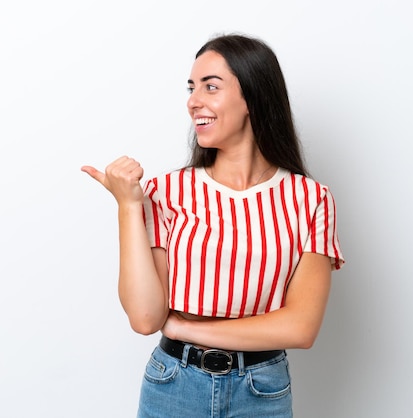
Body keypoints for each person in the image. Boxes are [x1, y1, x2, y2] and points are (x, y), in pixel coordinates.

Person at [81, 33, 344, 418]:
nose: (193, 101)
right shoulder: (166, 191)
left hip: (262, 390)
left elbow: (301, 327)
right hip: (173, 385)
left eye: (210, 87)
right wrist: (128, 207)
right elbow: (145, 318)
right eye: (192, 88)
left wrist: (188, 329)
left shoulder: (311, 200)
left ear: (253, 97)